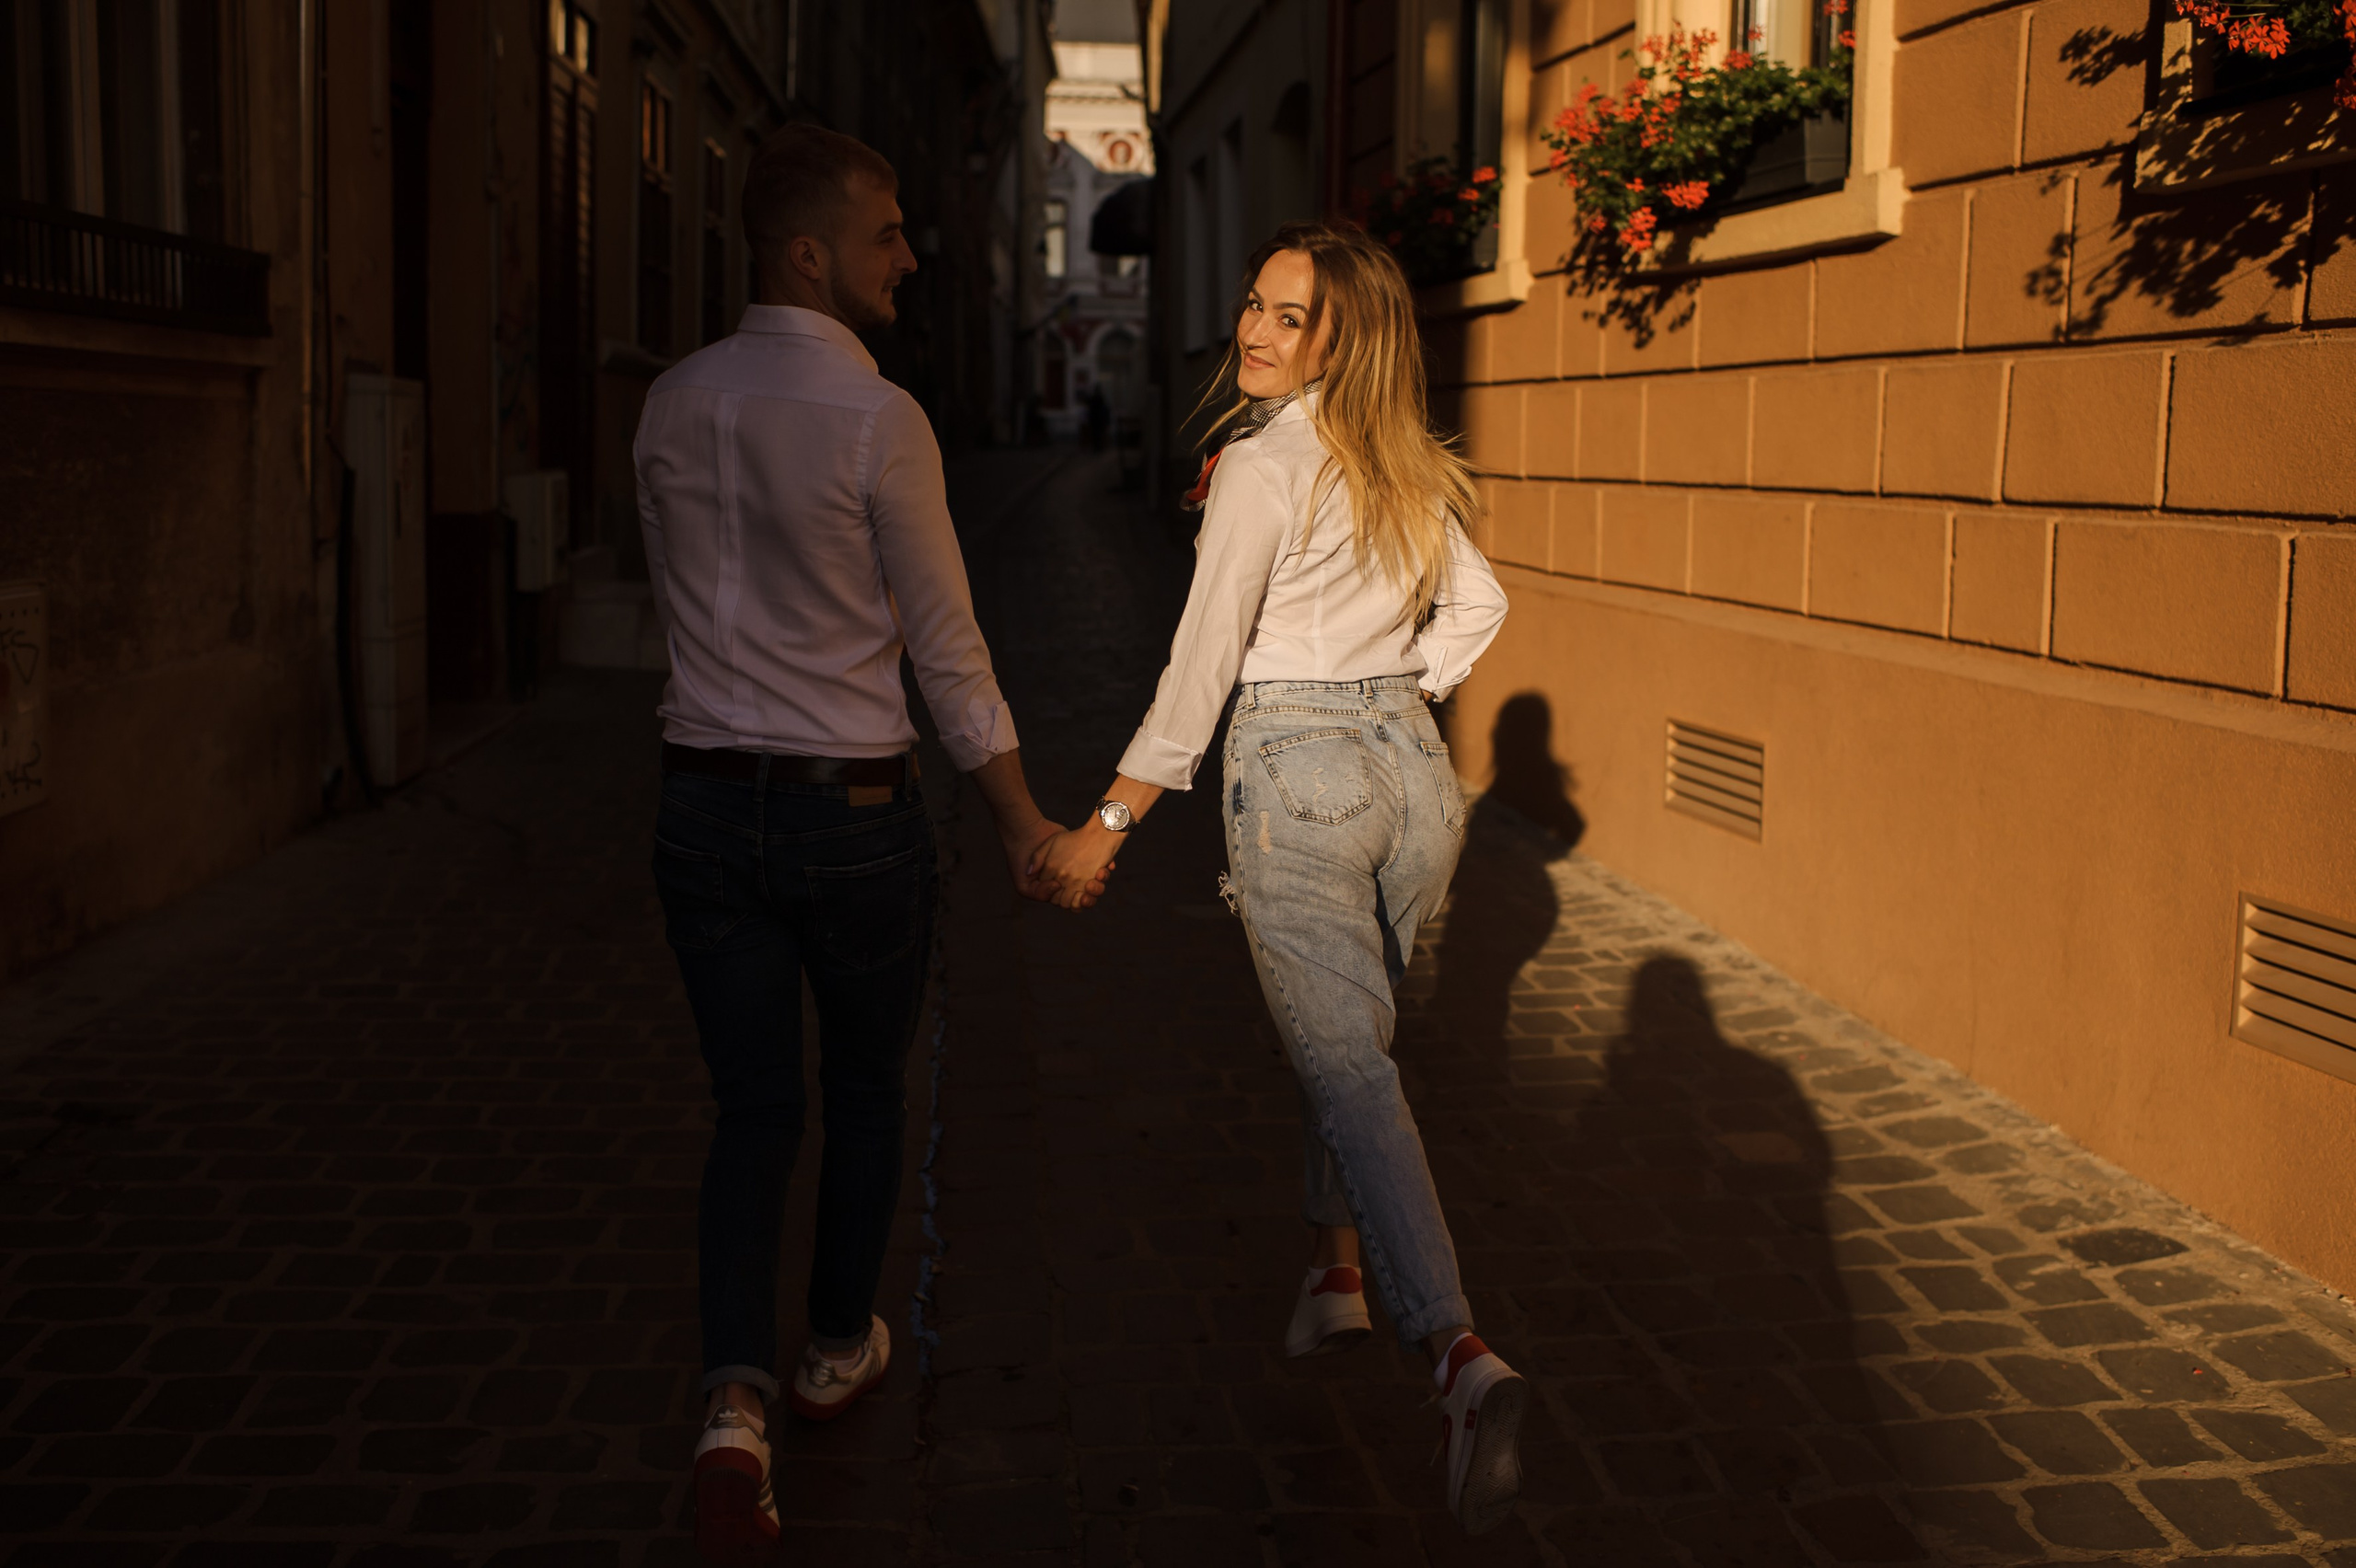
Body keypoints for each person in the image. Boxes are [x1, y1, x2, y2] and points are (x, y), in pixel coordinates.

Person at [633, 122, 1103, 1565]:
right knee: (867, 1094)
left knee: (752, 1111)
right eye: (888, 232)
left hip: (703, 804)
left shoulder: (668, 403)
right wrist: (1024, 821)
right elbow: (949, 652)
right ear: (809, 254)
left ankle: (731, 1408)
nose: (913, 253)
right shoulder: (876, 416)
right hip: (850, 815)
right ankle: (837, 1343)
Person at [1033, 221, 1522, 1534]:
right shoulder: (1403, 459)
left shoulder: (1262, 465)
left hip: (1298, 767)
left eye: (1289, 318)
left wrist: (1108, 826)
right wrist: (1396, 705)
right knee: (1346, 1037)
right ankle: (1334, 1269)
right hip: (1414, 780)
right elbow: (1478, 610)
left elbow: (1201, 668)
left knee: (1348, 1067)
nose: (1255, 331)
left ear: (1341, 339)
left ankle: (1455, 1352)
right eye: (1254, 305)